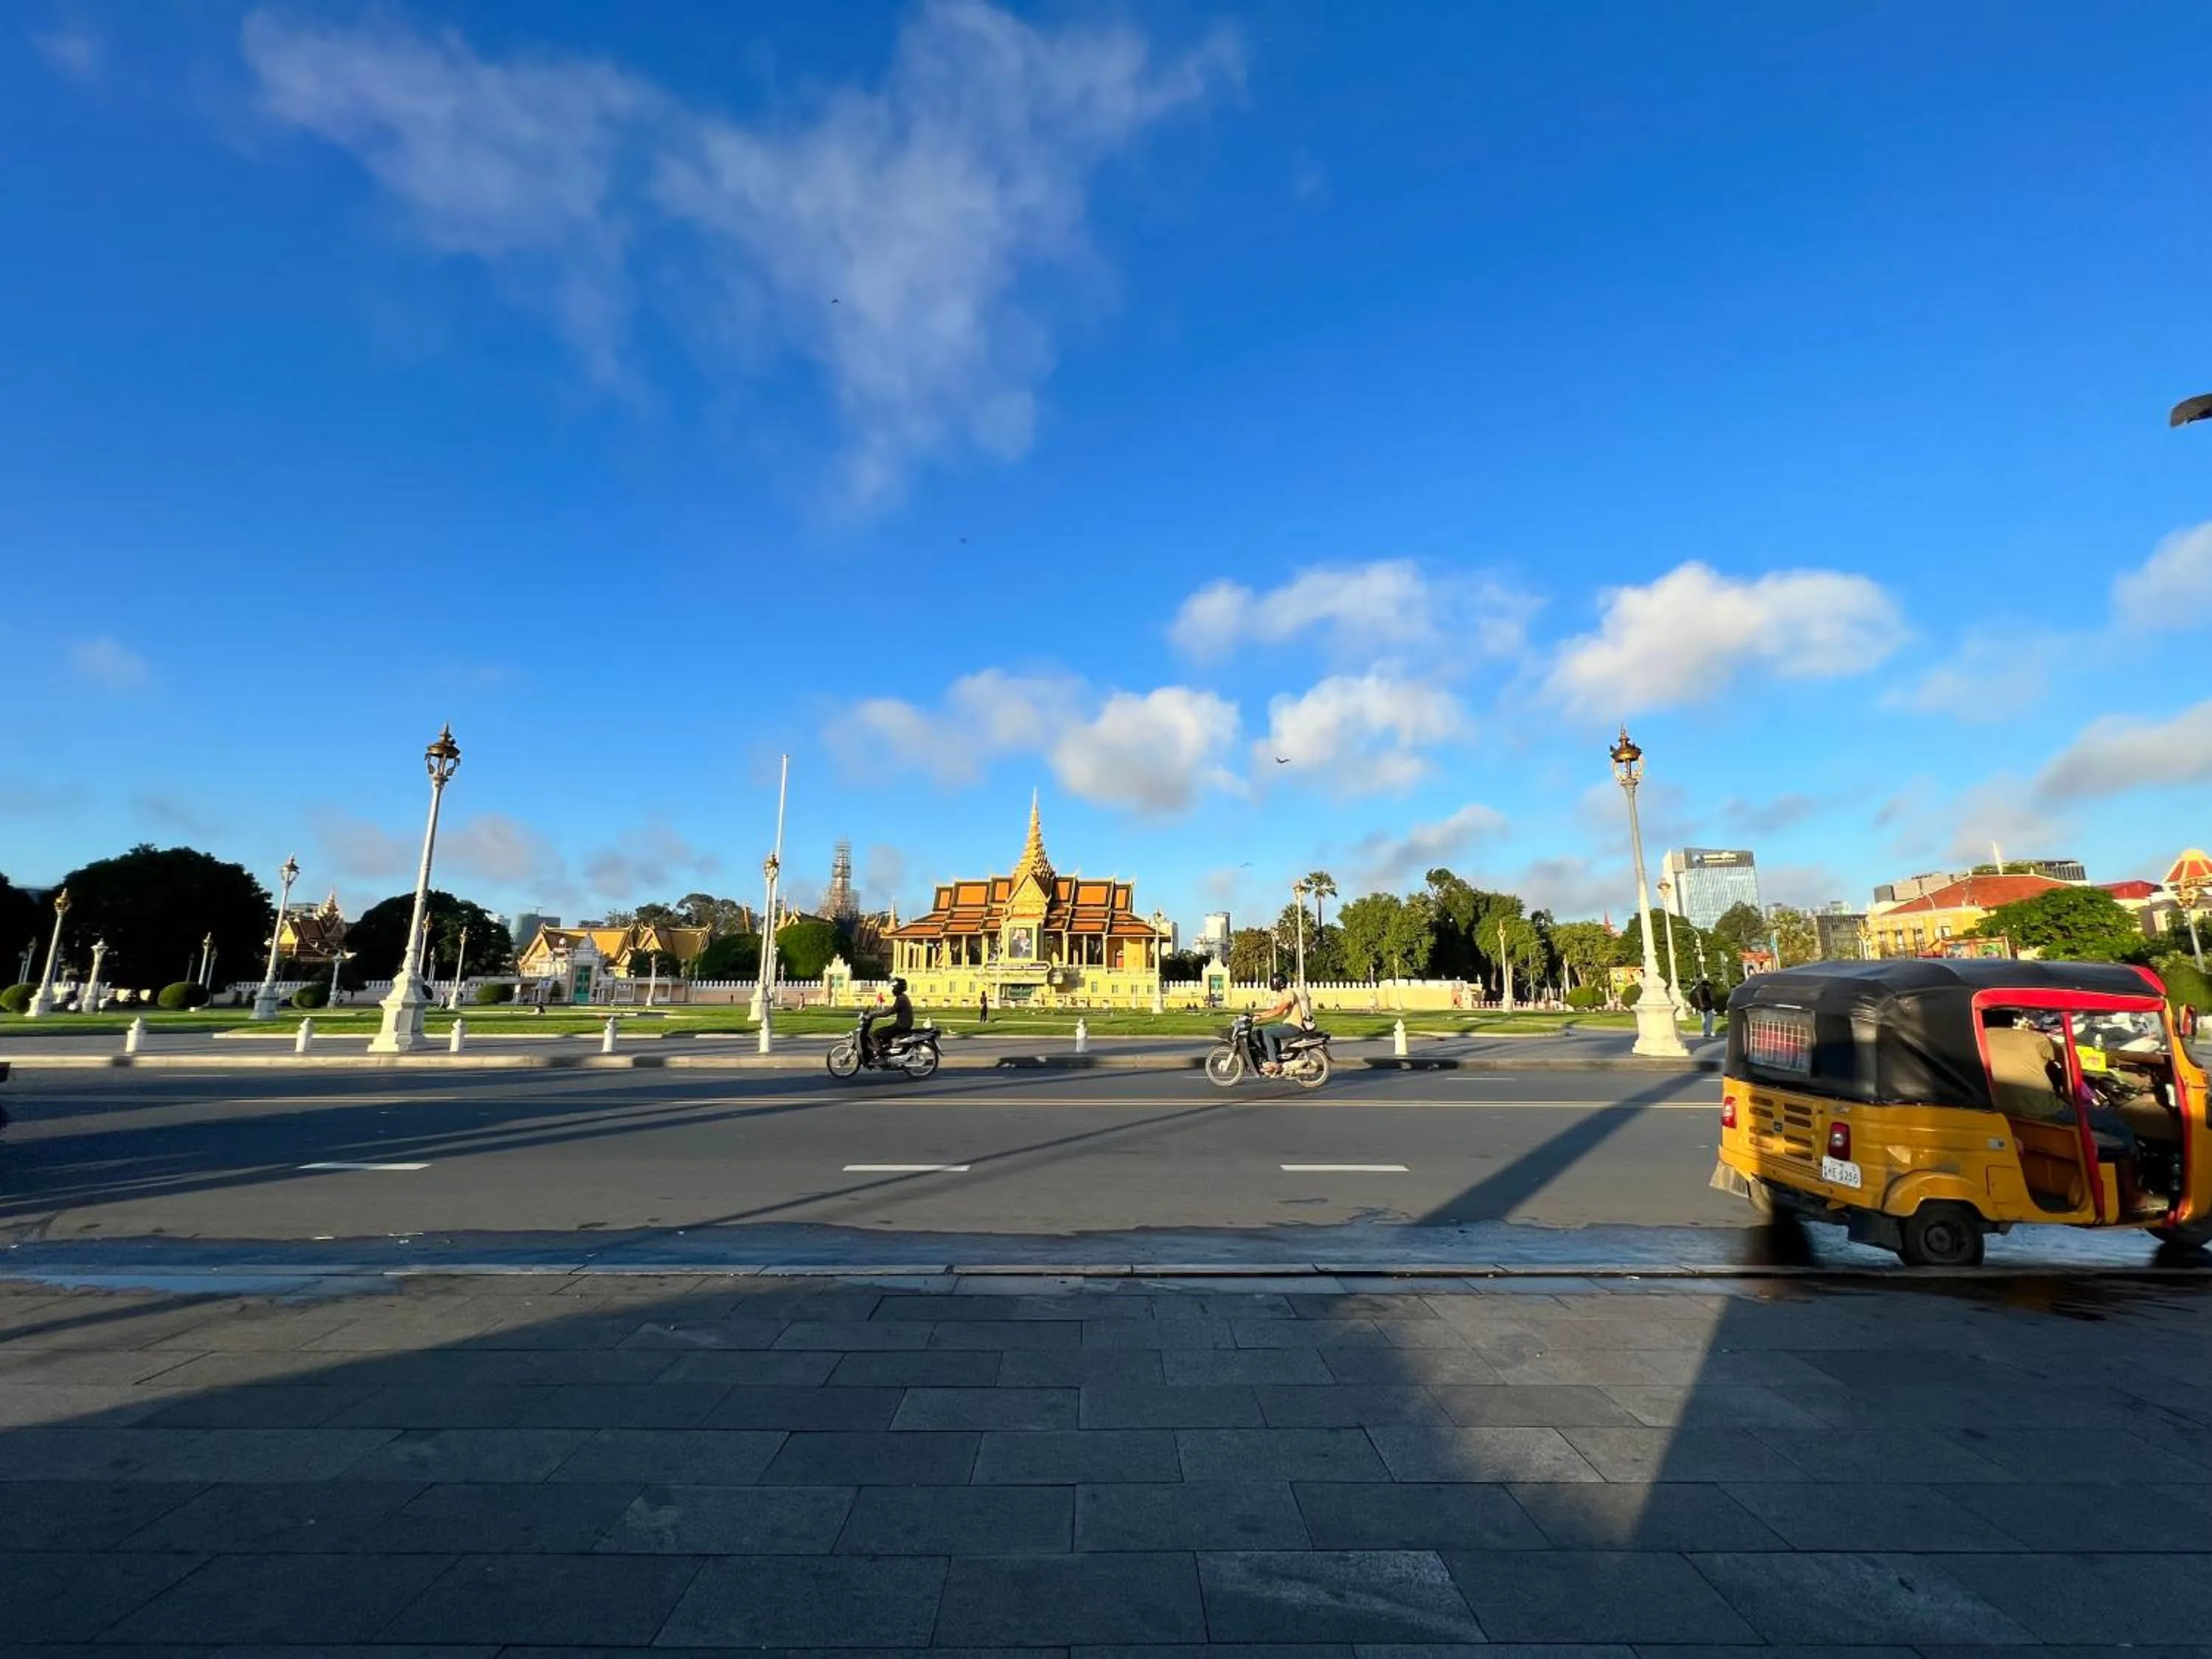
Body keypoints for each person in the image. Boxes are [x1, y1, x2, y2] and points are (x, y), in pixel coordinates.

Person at [1252, 973, 1313, 1076]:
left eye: (1273, 982)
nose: (1271, 984)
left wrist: (1260, 1018)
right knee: (1261, 1030)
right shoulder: (1282, 995)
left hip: (1294, 1026)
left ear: (1279, 983)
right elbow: (1274, 1010)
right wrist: (1257, 1015)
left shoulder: (1289, 994)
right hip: (1288, 1025)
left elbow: (1280, 1010)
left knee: (1268, 1032)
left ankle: (1273, 1063)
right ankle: (1274, 1055)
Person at [864, 976, 915, 1066]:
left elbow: (889, 1012)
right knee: (884, 1034)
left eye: (893, 987)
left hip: (901, 1026)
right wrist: (875, 1013)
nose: (892, 989)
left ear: (897, 988)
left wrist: (873, 1015)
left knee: (876, 1034)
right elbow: (891, 1009)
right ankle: (886, 1051)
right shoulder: (902, 997)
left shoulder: (901, 999)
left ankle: (882, 1058)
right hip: (903, 1024)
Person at [1689, 975, 1717, 1039]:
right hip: (1707, 1006)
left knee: (1704, 1020)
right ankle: (1708, 1032)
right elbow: (1711, 998)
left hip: (1701, 1007)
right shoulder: (1706, 990)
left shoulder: (1698, 989)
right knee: (1709, 1020)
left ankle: (1705, 1032)